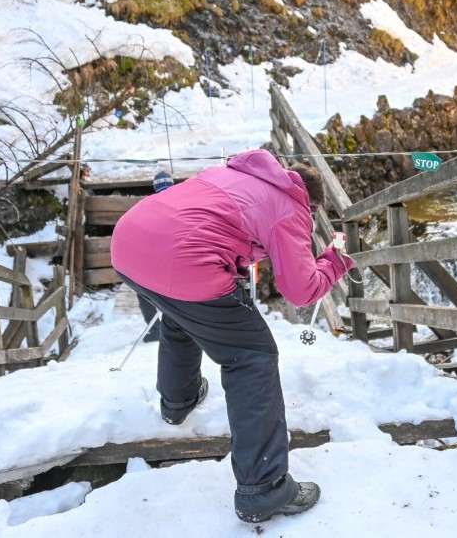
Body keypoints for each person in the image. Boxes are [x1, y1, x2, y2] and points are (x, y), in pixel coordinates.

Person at [110, 149, 353, 523]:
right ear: (312, 200)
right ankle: (264, 490)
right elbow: (300, 290)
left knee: (182, 313)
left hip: (129, 244)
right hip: (184, 260)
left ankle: (178, 403)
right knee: (252, 356)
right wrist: (332, 262)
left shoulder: (231, 174)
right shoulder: (291, 208)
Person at [137, 171, 175, 343]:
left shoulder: (148, 205)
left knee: (144, 292)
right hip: (177, 256)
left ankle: (155, 330)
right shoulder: (182, 200)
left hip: (155, 258)